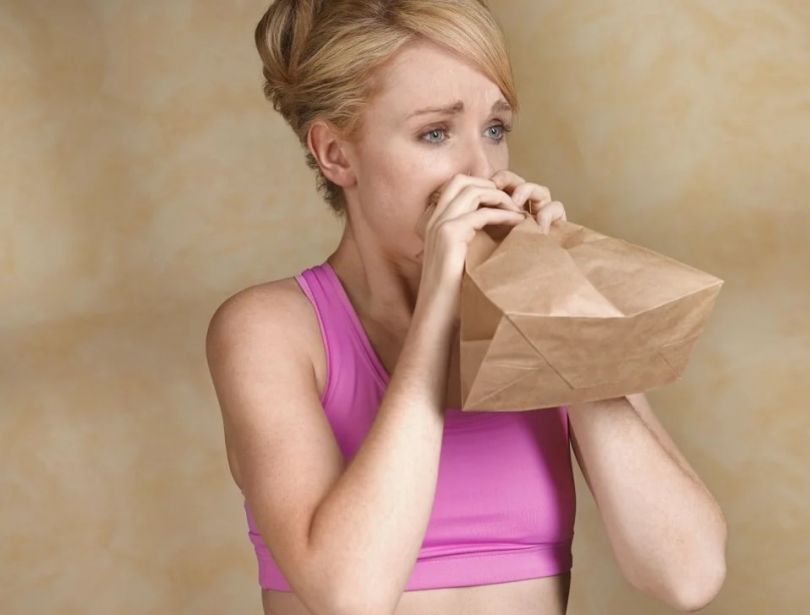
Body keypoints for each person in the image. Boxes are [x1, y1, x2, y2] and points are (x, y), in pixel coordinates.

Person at [206, 1, 727, 614]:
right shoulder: (269, 330)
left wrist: (558, 307)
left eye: (495, 129)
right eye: (435, 133)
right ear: (336, 153)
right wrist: (437, 306)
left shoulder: (549, 316)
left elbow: (688, 576)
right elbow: (349, 596)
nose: (481, 169)